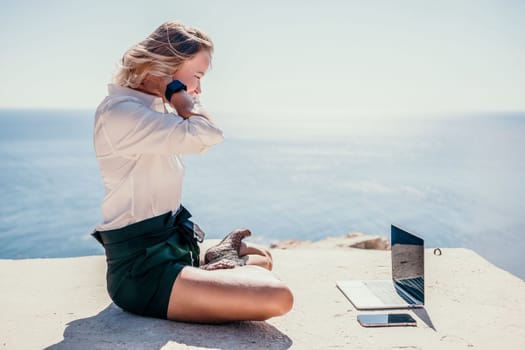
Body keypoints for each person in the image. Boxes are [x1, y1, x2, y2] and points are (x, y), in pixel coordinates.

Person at [92, 20, 293, 323]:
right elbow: (207, 133)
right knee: (277, 297)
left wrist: (172, 91)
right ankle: (210, 265)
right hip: (142, 270)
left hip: (172, 249)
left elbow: (203, 133)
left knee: (261, 259)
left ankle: (208, 261)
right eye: (197, 76)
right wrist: (175, 90)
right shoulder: (121, 113)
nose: (198, 88)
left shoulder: (151, 107)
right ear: (165, 67)